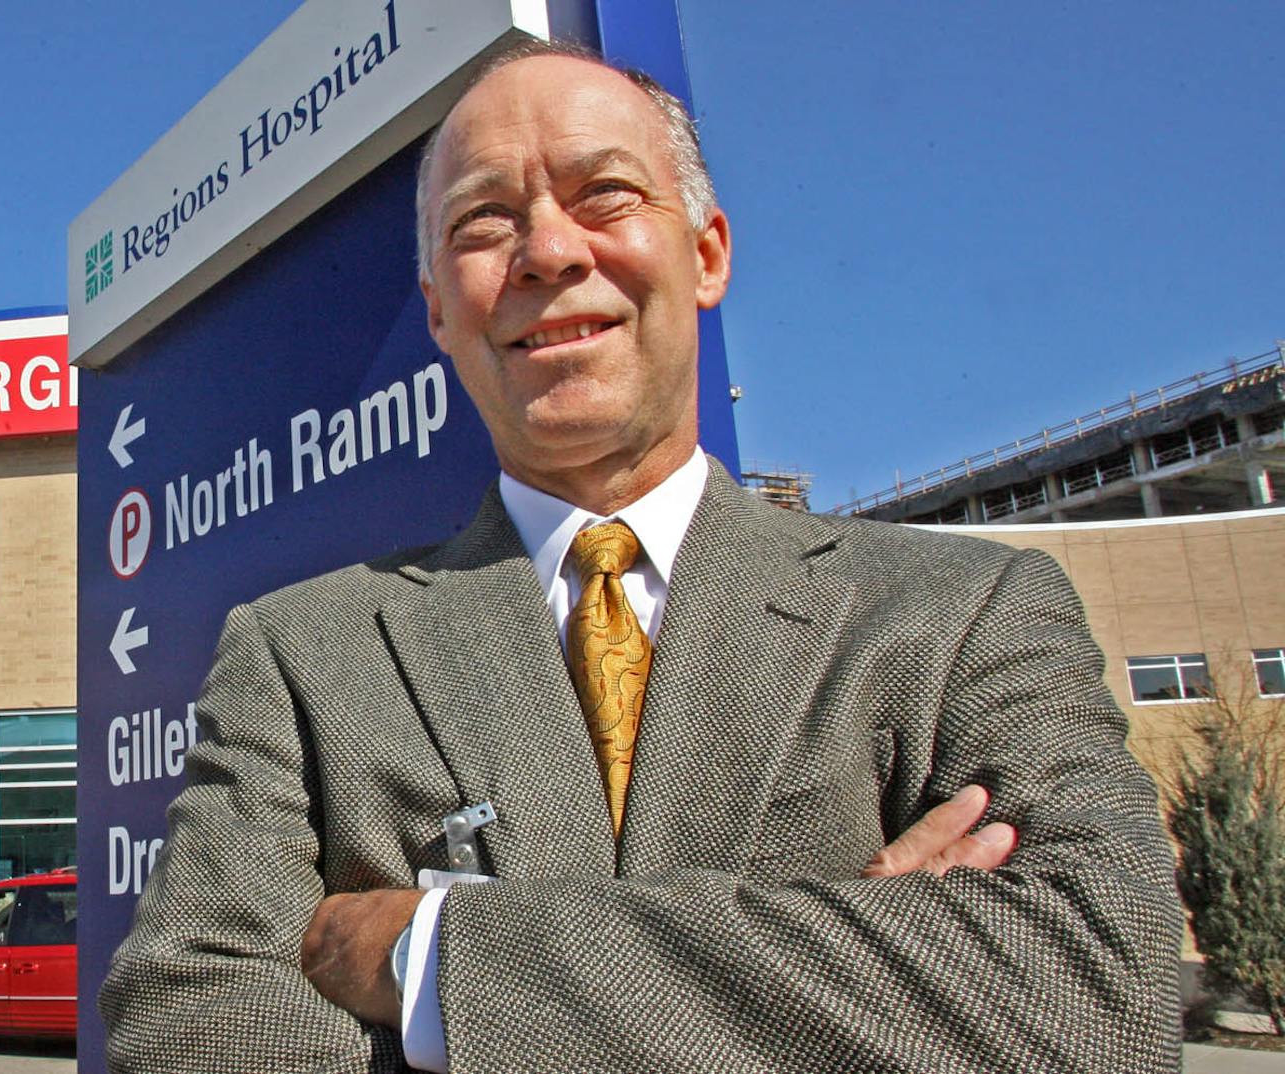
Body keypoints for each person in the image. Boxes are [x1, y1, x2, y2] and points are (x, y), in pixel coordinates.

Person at [99, 38, 1182, 1074]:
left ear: (706, 253)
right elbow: (188, 1029)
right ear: (437, 310)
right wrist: (858, 964)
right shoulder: (300, 655)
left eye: (604, 195)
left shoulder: (964, 614)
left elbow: (1096, 994)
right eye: (484, 222)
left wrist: (424, 958)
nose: (551, 252)